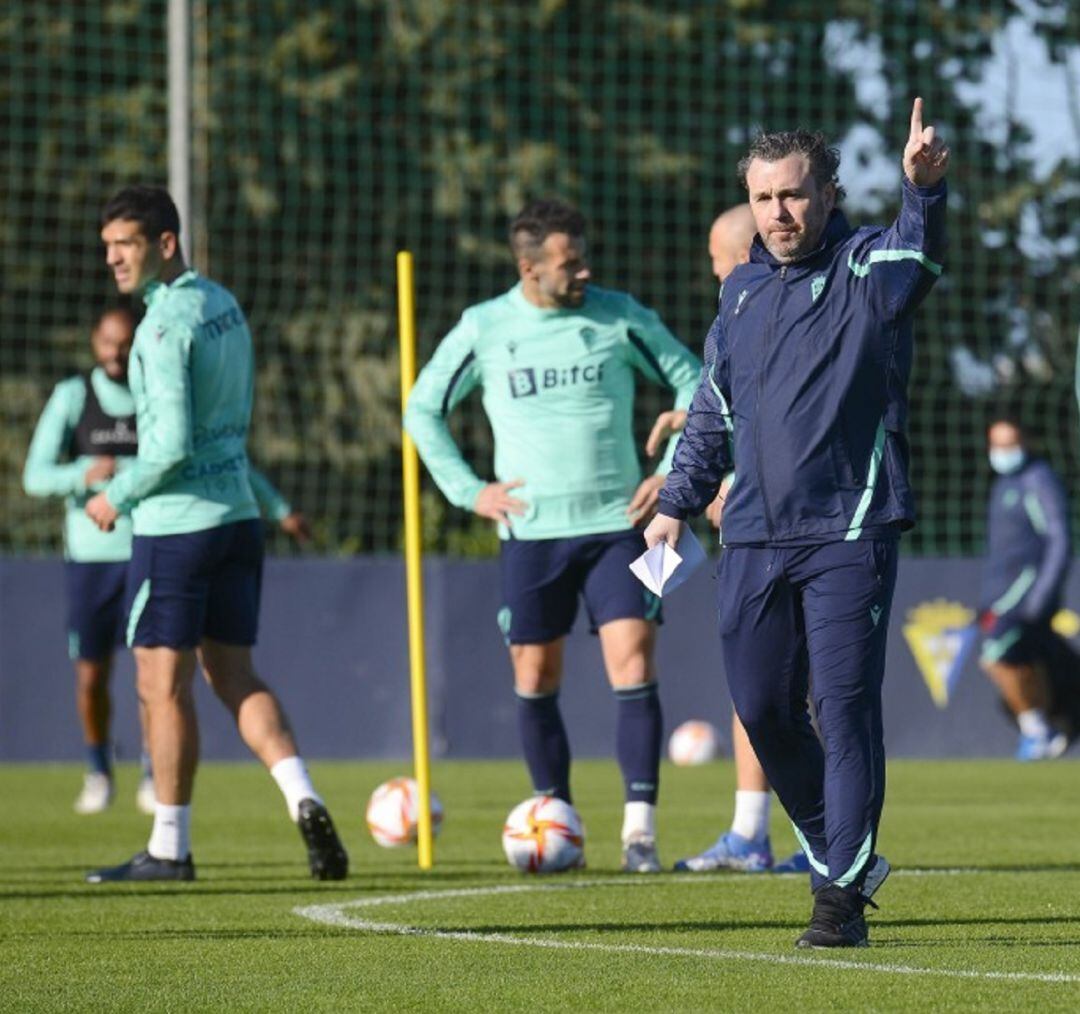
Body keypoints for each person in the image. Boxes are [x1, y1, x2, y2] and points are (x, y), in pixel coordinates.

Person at [644, 98, 949, 947]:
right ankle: (841, 852)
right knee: (762, 711)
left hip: (849, 533)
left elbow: (915, 260)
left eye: (794, 195)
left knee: (843, 709)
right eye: (764, 198)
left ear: (826, 193)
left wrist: (922, 191)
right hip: (749, 537)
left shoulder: (866, 268)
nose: (779, 212)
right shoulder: (738, 292)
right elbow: (712, 410)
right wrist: (674, 505)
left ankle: (839, 900)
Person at [405, 199, 701, 873]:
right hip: (531, 534)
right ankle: (555, 818)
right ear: (528, 267)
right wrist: (468, 490)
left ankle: (640, 835)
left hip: (625, 528)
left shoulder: (620, 314)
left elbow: (696, 380)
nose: (583, 271)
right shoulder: (485, 327)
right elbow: (422, 410)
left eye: (583, 257)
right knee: (535, 673)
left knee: (634, 662)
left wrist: (671, 473)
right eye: (569, 263)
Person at [83, 185, 346, 882]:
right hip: (237, 518)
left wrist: (115, 495)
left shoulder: (163, 329)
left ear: (164, 244)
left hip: (177, 529)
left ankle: (169, 846)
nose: (111, 258)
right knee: (233, 673)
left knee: (158, 685)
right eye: (107, 245)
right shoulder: (223, 304)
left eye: (125, 245)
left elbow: (166, 447)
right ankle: (304, 797)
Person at [23, 309, 312, 818]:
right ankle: (97, 768)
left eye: (123, 342)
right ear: (94, 342)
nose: (115, 352)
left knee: (155, 673)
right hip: (92, 558)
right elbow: (35, 476)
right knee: (92, 676)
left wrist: (280, 509)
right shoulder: (74, 397)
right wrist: (83, 474)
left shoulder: (159, 392)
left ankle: (154, 770)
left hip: (155, 546)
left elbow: (220, 456)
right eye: (106, 342)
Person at [647, 206, 810, 876]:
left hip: (806, 530)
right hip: (748, 528)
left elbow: (798, 420)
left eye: (718, 257)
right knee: (759, 684)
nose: (713, 270)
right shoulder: (741, 321)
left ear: (745, 255)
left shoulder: (793, 310)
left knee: (809, 688)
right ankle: (752, 833)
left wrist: (735, 481)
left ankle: (820, 839)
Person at [979, 417, 1078, 759]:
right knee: (1029, 660)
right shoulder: (1004, 484)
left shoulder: (1038, 479)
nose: (1002, 452)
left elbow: (1058, 538)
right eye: (997, 444)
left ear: (1025, 442)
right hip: (1002, 595)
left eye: (1009, 444)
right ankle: (1048, 727)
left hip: (1025, 595)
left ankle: (1038, 730)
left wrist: (1041, 594)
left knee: (995, 656)